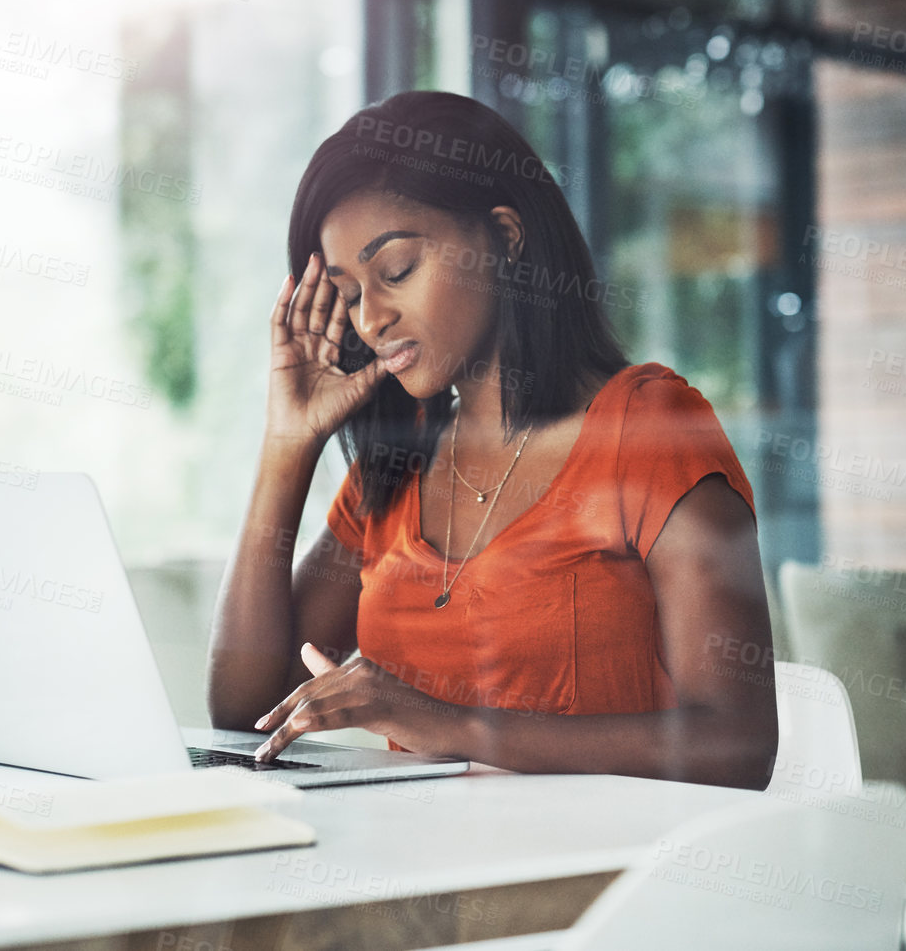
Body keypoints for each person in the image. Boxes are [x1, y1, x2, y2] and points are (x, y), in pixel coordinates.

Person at [206, 90, 778, 788]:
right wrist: (287, 446)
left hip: (602, 879)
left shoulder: (649, 433)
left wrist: (447, 723)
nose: (371, 319)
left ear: (505, 236)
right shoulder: (395, 464)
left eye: (395, 272)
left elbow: (739, 745)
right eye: (351, 293)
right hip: (421, 871)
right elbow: (242, 711)